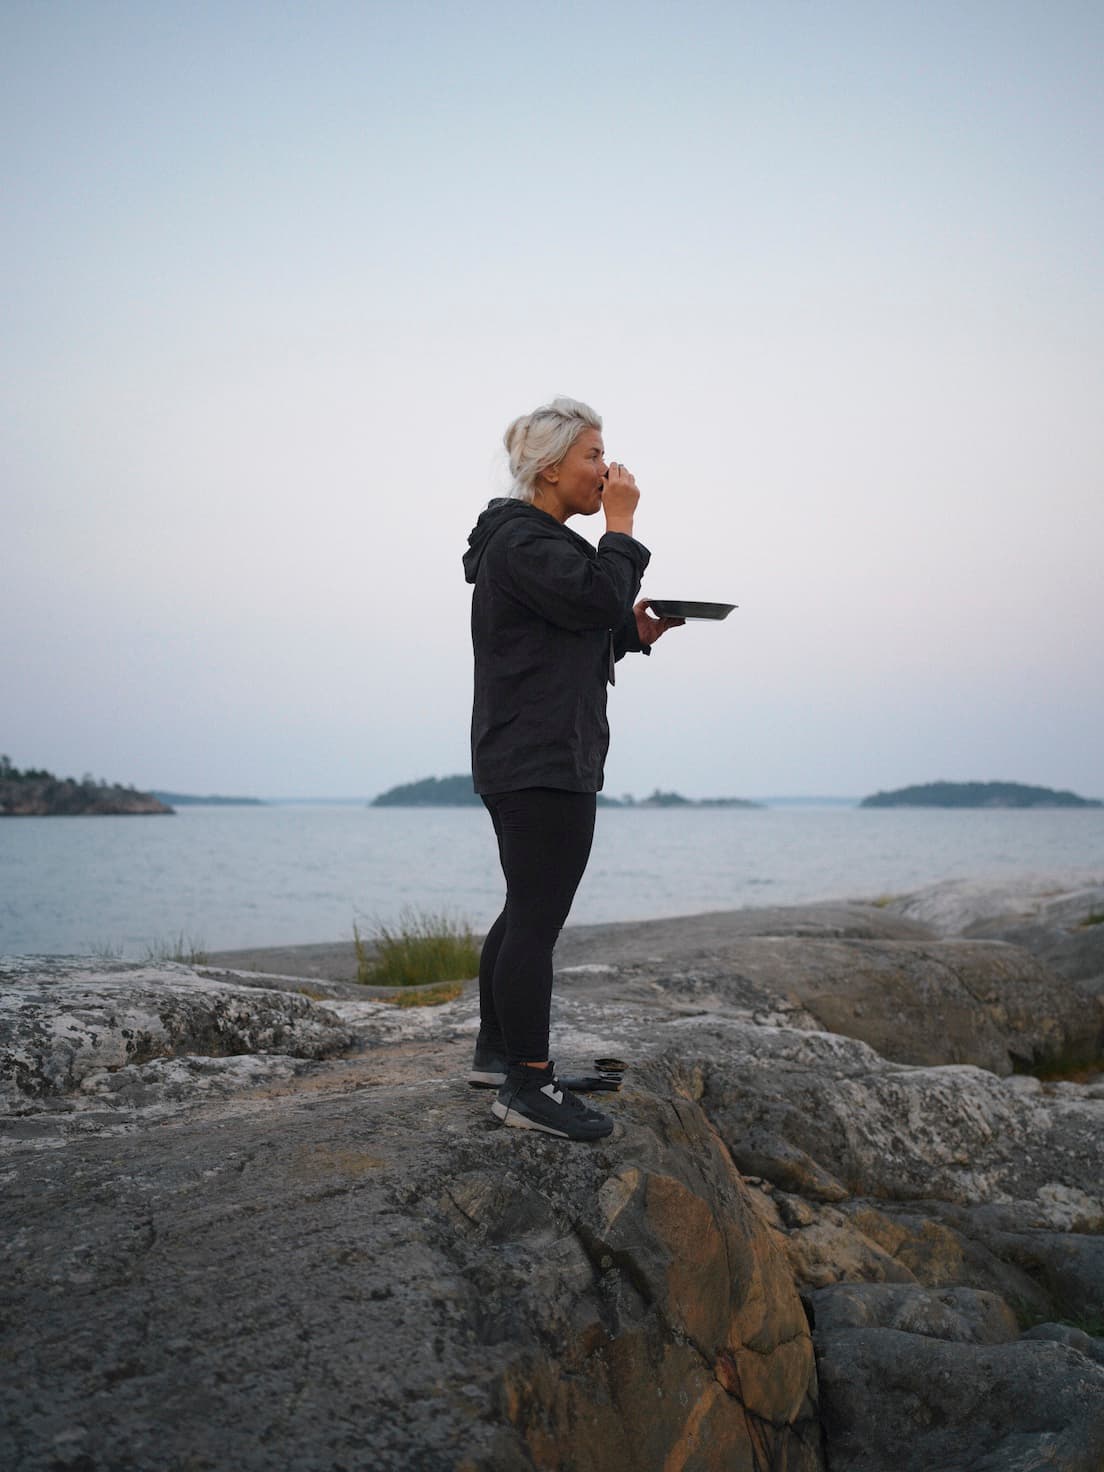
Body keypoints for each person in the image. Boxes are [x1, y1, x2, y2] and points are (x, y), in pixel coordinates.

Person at [462, 397, 682, 1141]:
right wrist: (622, 527)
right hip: (540, 755)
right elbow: (593, 596)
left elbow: (579, 626)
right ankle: (528, 1085)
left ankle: (500, 1057)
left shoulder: (532, 542)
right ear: (550, 468)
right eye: (594, 455)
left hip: (532, 750)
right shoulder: (526, 541)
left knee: (526, 907)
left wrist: (634, 635)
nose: (608, 470)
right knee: (535, 916)